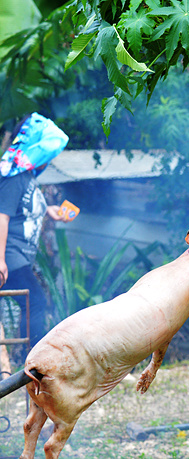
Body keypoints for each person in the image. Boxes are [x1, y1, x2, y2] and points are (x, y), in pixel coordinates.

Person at [0, 112, 71, 352]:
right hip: (9, 258)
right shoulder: (13, 176)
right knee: (37, 302)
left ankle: (24, 361)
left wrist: (49, 210)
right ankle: (32, 365)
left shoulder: (27, 176)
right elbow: (2, 216)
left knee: (33, 303)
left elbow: (25, 208)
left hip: (20, 259)